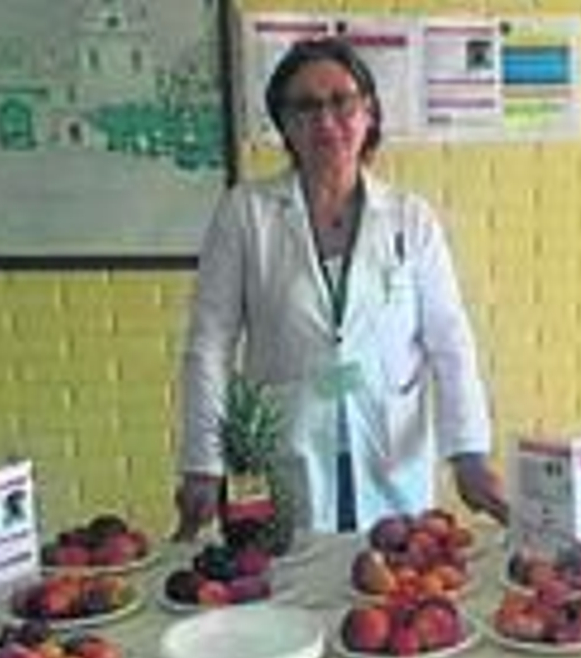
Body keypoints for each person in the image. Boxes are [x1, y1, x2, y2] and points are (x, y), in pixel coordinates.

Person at [173, 38, 507, 539]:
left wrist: (469, 454)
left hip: (391, 445)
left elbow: (450, 342)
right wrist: (203, 460)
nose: (326, 121)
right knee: (293, 591)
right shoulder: (246, 214)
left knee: (391, 591)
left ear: (368, 111)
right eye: (305, 106)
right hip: (289, 445)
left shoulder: (409, 218)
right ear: (284, 124)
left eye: (342, 101)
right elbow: (209, 345)